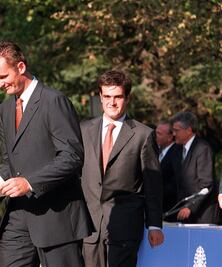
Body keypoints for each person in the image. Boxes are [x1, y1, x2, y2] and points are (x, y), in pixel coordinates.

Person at [0, 40, 91, 267]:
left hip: (56, 216)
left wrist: (29, 183)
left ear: (21, 67)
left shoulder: (54, 101)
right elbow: (10, 162)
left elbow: (73, 156)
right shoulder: (4, 111)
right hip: (17, 217)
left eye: (3, 77)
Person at [80, 70, 164, 267]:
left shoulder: (143, 134)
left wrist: (154, 225)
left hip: (125, 227)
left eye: (118, 96)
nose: (112, 102)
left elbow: (153, 184)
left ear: (127, 97)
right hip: (89, 226)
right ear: (100, 97)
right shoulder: (83, 130)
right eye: (107, 96)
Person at [170, 111, 219, 223]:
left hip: (203, 215)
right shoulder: (178, 150)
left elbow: (206, 184)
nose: (173, 134)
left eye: (177, 130)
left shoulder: (202, 149)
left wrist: (190, 206)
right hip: (185, 213)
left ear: (189, 130)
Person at [155, 122, 182, 216]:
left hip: (170, 206)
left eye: (159, 134)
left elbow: (176, 180)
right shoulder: (156, 151)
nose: (155, 136)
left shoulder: (177, 152)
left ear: (170, 137)